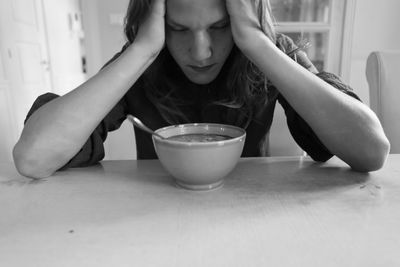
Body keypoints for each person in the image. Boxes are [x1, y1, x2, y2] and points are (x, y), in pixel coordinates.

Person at [13, 0, 390, 179]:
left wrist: (258, 44)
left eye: (221, 26)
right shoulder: (147, 57)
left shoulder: (268, 52)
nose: (200, 52)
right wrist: (143, 49)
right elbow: (32, 158)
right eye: (179, 30)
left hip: (253, 220)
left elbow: (372, 150)